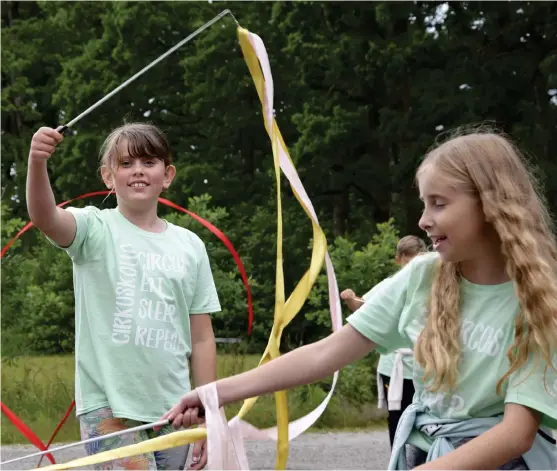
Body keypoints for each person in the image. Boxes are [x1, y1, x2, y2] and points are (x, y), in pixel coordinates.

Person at [164, 130, 557, 470]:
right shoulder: (420, 277)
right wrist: (212, 393)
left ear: (491, 204)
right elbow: (325, 354)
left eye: (439, 203)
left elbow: (515, 434)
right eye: (423, 203)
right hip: (425, 456)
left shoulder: (540, 300)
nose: (423, 219)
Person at [26, 123, 221, 470]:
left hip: (176, 409)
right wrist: (37, 162)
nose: (138, 171)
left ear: (167, 175)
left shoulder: (191, 246)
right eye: (126, 163)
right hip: (109, 409)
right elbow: (45, 217)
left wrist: (207, 412)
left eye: (149, 162)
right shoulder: (93, 229)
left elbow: (203, 338)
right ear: (108, 176)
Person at [340, 235, 427, 449]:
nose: (412, 265)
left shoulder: (434, 285)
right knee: (397, 419)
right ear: (399, 260)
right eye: (407, 259)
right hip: (395, 367)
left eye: (416, 259)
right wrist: (351, 298)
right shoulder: (390, 285)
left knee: (427, 420)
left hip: (427, 367)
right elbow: (364, 309)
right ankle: (397, 461)